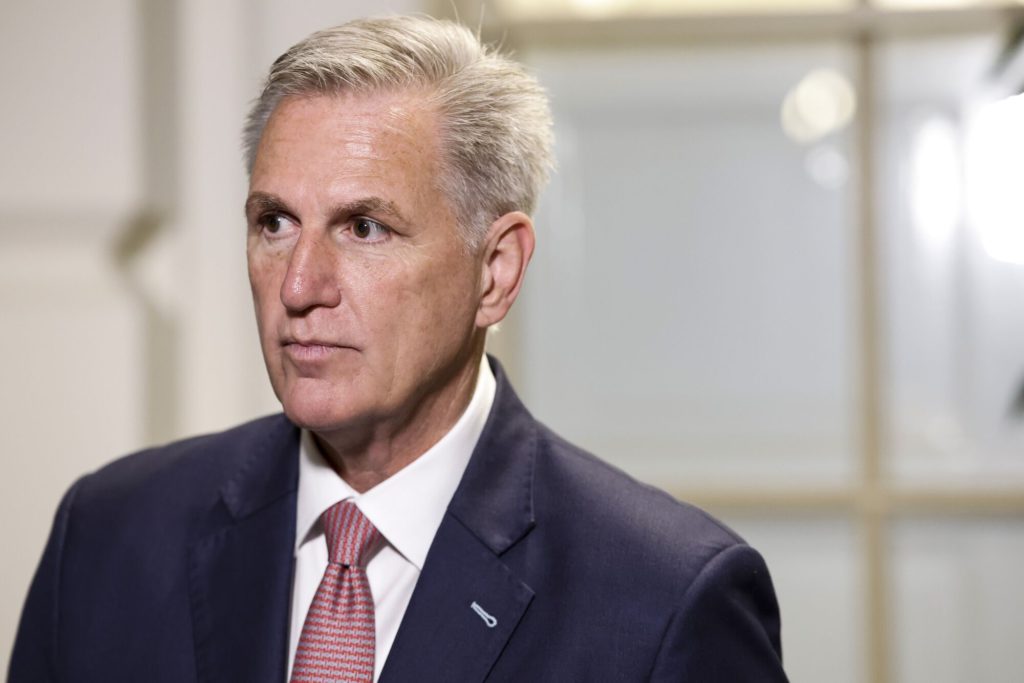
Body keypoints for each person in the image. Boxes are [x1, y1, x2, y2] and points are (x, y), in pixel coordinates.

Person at [9, 15, 787, 682]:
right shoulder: (107, 538)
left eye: (364, 228)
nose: (299, 285)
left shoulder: (665, 599)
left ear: (495, 271)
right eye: (275, 222)